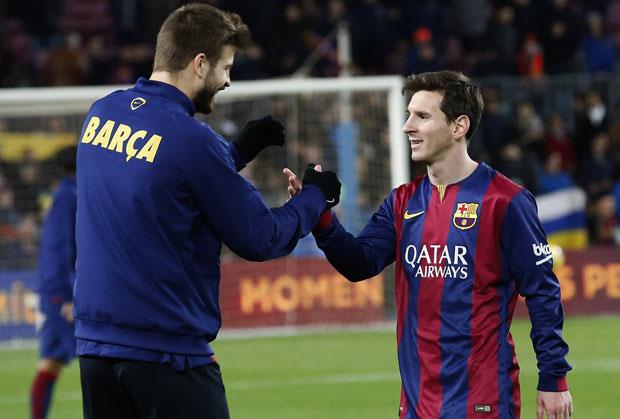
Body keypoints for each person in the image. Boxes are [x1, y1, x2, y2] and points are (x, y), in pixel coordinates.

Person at [73, 4, 341, 419]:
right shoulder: (193, 140)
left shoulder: (101, 113)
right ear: (199, 64)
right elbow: (260, 237)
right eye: (226, 67)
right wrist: (314, 197)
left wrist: (235, 153)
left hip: (96, 352)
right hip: (167, 355)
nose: (228, 80)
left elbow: (160, 183)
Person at [285, 71, 573, 418]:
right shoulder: (402, 201)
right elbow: (359, 263)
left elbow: (543, 293)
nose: (407, 126)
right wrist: (320, 216)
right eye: (409, 115)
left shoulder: (506, 201)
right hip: (417, 404)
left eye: (422, 116)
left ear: (458, 126)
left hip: (482, 401)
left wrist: (553, 379)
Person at [30, 145, 77, 419]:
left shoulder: (64, 194)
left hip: (55, 289)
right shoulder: (68, 196)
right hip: (62, 293)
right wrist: (67, 296)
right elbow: (60, 248)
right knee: (104, 356)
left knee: (50, 363)